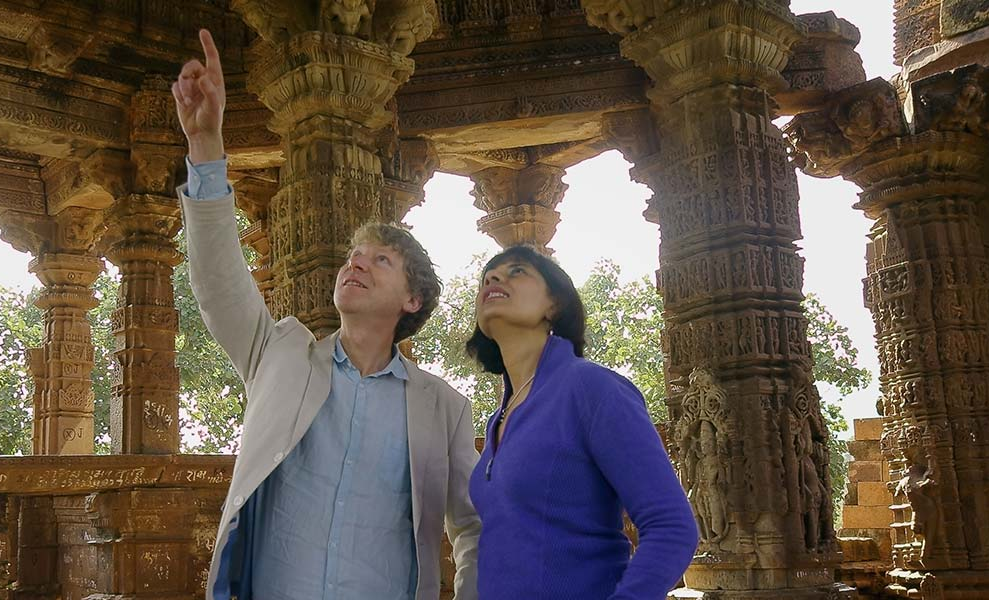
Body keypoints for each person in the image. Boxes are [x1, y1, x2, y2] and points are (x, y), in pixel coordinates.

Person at [172, 28, 480, 600]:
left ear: (412, 300)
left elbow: (471, 527)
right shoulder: (280, 355)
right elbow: (219, 284)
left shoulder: (443, 408)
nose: (356, 263)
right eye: (353, 256)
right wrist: (206, 147)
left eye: (380, 260)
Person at [466, 245, 698, 600]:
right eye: (487, 278)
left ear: (554, 305)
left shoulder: (591, 388)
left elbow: (672, 527)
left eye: (517, 271)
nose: (494, 278)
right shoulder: (498, 419)